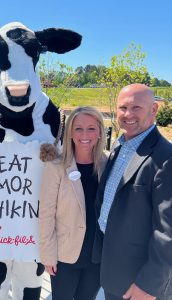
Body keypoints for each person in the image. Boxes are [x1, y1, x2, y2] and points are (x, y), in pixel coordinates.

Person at [94, 83, 172, 300]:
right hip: (112, 269)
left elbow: (168, 232)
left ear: (154, 109)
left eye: (136, 108)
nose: (128, 115)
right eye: (122, 108)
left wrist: (149, 285)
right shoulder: (120, 147)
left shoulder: (166, 158)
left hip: (139, 281)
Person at [39, 106, 108, 300]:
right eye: (78, 128)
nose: (85, 134)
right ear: (69, 132)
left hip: (96, 257)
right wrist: (47, 255)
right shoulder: (56, 167)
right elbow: (45, 214)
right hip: (65, 256)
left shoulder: (107, 164)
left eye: (91, 128)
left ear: (100, 131)